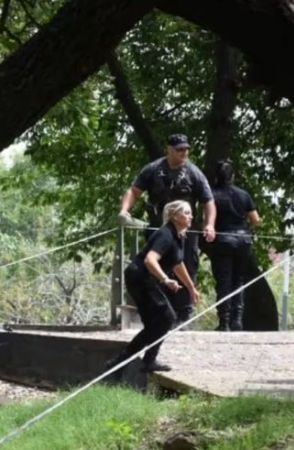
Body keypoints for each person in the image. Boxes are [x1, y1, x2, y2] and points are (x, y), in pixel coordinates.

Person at [118, 133, 216, 325]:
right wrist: (124, 210)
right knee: (157, 268)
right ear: (169, 150)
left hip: (184, 232)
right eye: (179, 149)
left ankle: (183, 316)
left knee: (186, 266)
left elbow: (208, 201)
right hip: (158, 228)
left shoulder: (194, 173)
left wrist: (209, 224)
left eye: (186, 149)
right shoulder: (153, 169)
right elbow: (134, 191)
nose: (184, 153)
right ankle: (162, 313)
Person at [106, 200, 201, 375]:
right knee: (167, 317)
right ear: (174, 216)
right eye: (186, 213)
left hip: (144, 279)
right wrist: (165, 280)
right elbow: (150, 260)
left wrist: (190, 288)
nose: (191, 216)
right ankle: (144, 361)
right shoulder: (165, 234)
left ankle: (118, 365)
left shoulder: (178, 236)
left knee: (154, 325)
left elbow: (177, 264)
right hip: (139, 278)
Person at [207, 160, 261, 331]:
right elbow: (256, 220)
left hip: (223, 240)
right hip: (243, 240)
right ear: (233, 176)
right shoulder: (244, 195)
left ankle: (224, 322)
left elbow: (207, 219)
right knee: (238, 280)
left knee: (223, 281)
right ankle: (237, 320)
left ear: (216, 176)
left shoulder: (212, 195)